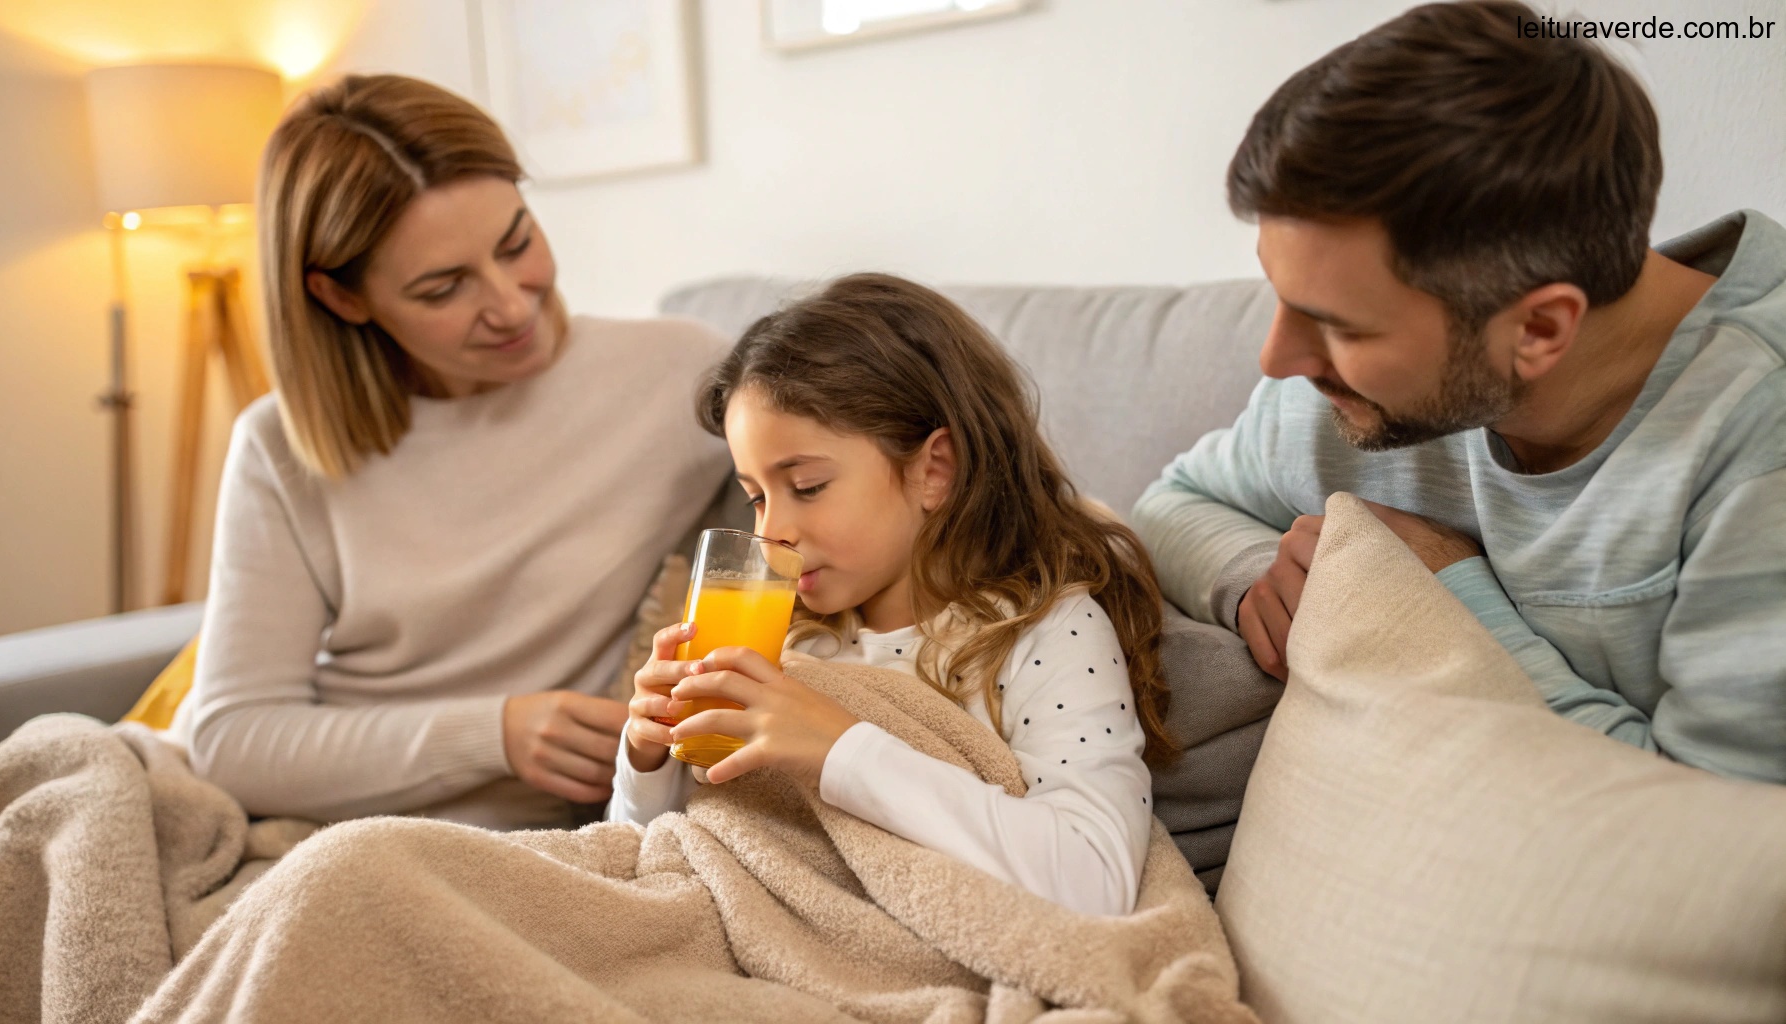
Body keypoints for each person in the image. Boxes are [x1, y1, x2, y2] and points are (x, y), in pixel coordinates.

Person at [1131, 0, 1786, 782]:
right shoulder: (1345, 396)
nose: (1277, 359)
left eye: (1339, 325)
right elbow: (1174, 501)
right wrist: (1247, 576)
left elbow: (1719, 826)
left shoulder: (1756, 443)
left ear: (1539, 329)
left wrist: (1444, 598)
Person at [166, 74, 734, 828]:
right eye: (443, 288)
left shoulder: (682, 375)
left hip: (517, 849)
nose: (510, 304)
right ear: (343, 298)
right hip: (324, 827)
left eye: (517, 242)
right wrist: (491, 735)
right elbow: (233, 742)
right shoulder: (282, 449)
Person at [609, 273, 1176, 917]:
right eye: (757, 498)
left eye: (809, 486)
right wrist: (649, 759)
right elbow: (650, 859)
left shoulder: (1046, 632)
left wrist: (838, 747)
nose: (772, 533)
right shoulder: (785, 636)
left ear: (934, 469)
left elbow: (1095, 878)